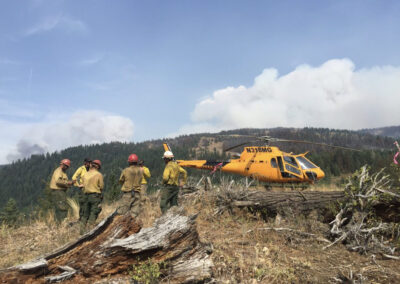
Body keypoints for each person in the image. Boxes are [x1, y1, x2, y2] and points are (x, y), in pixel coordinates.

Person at [80, 159, 104, 227]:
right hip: (95, 196)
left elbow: (83, 185)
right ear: (98, 167)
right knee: (94, 212)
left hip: (85, 196)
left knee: (85, 214)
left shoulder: (85, 174)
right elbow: (101, 186)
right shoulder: (99, 174)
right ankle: (90, 228)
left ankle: (81, 230)